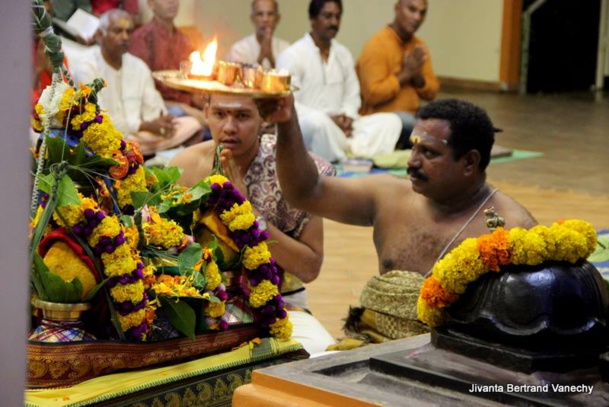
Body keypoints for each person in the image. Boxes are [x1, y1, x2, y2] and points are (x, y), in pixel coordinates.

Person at [255, 95, 538, 347]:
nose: (412, 161)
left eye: (429, 153)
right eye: (413, 147)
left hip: (456, 362)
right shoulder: (389, 197)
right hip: (373, 346)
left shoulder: (512, 228)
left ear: (469, 162)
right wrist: (287, 122)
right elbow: (305, 192)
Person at [168, 93, 337, 356]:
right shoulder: (185, 166)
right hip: (200, 303)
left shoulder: (297, 173)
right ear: (206, 113)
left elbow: (309, 268)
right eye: (220, 114)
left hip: (280, 305)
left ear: (264, 119)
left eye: (243, 116)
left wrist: (250, 212)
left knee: (318, 357)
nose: (229, 127)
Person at [275, 0, 402, 163]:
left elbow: (352, 95)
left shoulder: (343, 54)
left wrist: (347, 117)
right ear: (312, 18)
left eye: (337, 16)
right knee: (318, 124)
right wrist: (328, 119)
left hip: (342, 128)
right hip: (307, 125)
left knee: (390, 121)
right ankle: (349, 153)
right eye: (328, 16)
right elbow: (288, 104)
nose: (334, 22)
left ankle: (346, 151)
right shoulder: (292, 55)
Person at [73, 9, 202, 158]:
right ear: (100, 35)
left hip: (139, 137)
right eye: (118, 31)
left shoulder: (138, 66)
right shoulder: (87, 67)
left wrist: (162, 122)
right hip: (106, 138)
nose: (125, 37)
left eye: (129, 31)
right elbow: (98, 119)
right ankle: (145, 154)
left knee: (193, 125)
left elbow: (154, 108)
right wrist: (143, 125)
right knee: (101, 137)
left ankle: (140, 153)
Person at [356, 0, 440, 149]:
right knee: (417, 127)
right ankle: (436, 146)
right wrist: (405, 75)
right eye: (412, 10)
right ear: (397, 8)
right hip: (384, 123)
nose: (417, 17)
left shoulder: (419, 47)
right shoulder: (376, 45)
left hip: (413, 119)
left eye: (422, 12)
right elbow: (372, 94)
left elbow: (432, 92)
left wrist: (418, 77)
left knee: (447, 122)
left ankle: (437, 145)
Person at [128, 0, 206, 125]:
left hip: (188, 105)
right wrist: (185, 108)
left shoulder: (184, 39)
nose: (172, 2)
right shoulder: (142, 38)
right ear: (150, 4)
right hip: (159, 107)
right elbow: (141, 93)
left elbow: (192, 80)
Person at [226, 0, 290, 69]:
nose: (265, 19)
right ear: (252, 18)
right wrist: (260, 58)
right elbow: (239, 78)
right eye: (260, 14)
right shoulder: (239, 50)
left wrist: (271, 59)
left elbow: (290, 77)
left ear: (277, 19)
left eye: (270, 14)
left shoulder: (286, 49)